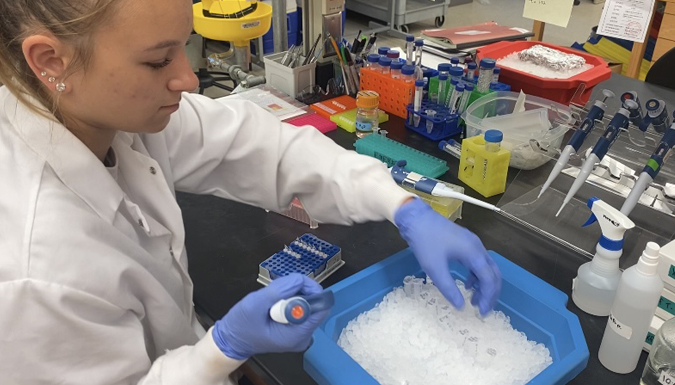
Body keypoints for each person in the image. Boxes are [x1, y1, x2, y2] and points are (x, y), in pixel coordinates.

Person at [0, 0, 502, 383]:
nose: (187, 76)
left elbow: (259, 144)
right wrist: (220, 349)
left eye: (183, 45)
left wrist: (400, 203)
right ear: (50, 60)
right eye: (157, 61)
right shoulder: (37, 268)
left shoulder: (104, 111)